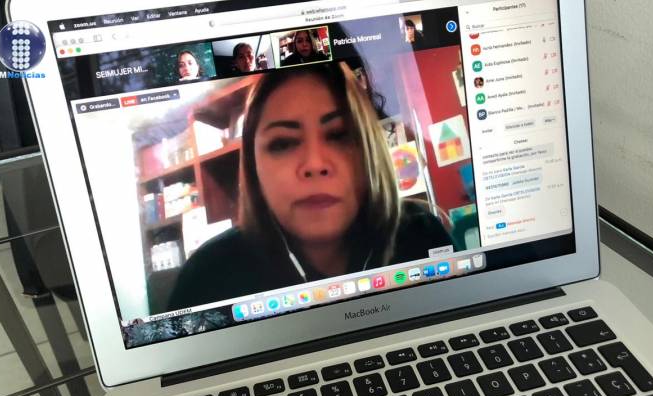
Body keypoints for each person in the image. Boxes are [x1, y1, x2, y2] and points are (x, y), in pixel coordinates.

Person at [168, 62, 453, 309]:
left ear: (369, 148)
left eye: (339, 135)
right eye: (283, 143)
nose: (315, 164)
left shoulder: (422, 236)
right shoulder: (207, 278)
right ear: (254, 167)